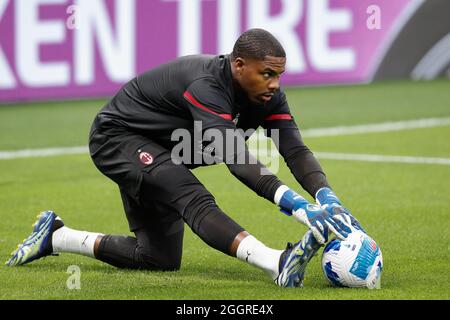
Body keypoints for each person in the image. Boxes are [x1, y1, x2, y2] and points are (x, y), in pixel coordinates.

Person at [6, 29, 363, 287]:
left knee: (157, 258)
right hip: (118, 138)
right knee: (192, 196)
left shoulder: (268, 99)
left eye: (279, 76)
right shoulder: (206, 85)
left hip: (161, 152)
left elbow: (294, 149)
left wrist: (327, 196)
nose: (274, 84)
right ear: (239, 66)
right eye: (266, 74)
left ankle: (56, 236)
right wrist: (298, 206)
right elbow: (234, 157)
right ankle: (277, 263)